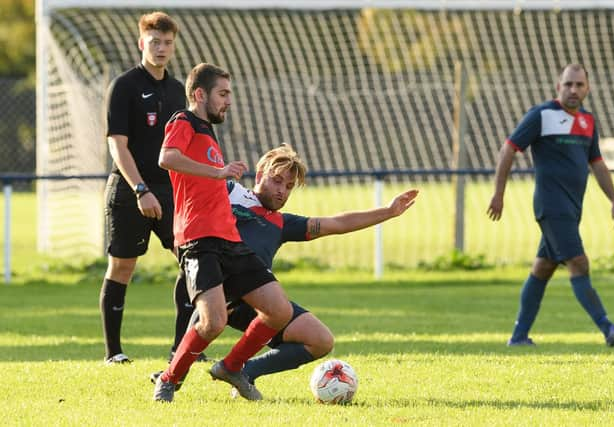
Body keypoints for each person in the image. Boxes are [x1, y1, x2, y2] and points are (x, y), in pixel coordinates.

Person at [153, 144, 418, 395]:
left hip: (258, 302)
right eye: (277, 181)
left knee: (321, 340)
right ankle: (173, 374)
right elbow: (190, 196)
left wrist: (388, 211)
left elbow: (336, 223)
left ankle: (242, 371)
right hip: (218, 288)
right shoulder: (228, 191)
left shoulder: (282, 223)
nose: (282, 191)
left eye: (289, 186)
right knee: (206, 321)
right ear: (259, 175)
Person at [152, 63, 295, 403]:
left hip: (229, 238)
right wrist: (218, 172)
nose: (228, 101)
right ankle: (170, 378)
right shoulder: (182, 121)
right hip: (198, 238)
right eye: (223, 93)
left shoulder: (207, 130)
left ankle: (232, 367)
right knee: (213, 322)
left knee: (279, 311)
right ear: (199, 94)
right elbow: (167, 157)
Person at [487, 63, 614, 347]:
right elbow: (508, 148)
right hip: (551, 207)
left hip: (571, 209)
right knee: (579, 263)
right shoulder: (542, 115)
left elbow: (597, 163)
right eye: (568, 84)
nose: (573, 90)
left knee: (543, 267)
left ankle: (519, 337)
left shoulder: (588, 121)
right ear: (558, 86)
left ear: (587, 88)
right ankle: (609, 330)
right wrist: (499, 194)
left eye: (579, 85)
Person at [100, 11, 188, 365]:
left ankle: (182, 349)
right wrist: (140, 189)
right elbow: (117, 145)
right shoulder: (124, 86)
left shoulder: (177, 89)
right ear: (142, 43)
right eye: (155, 41)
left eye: (167, 42)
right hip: (129, 191)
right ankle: (114, 353)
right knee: (122, 267)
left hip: (169, 191)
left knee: (192, 263)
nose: (162, 48)